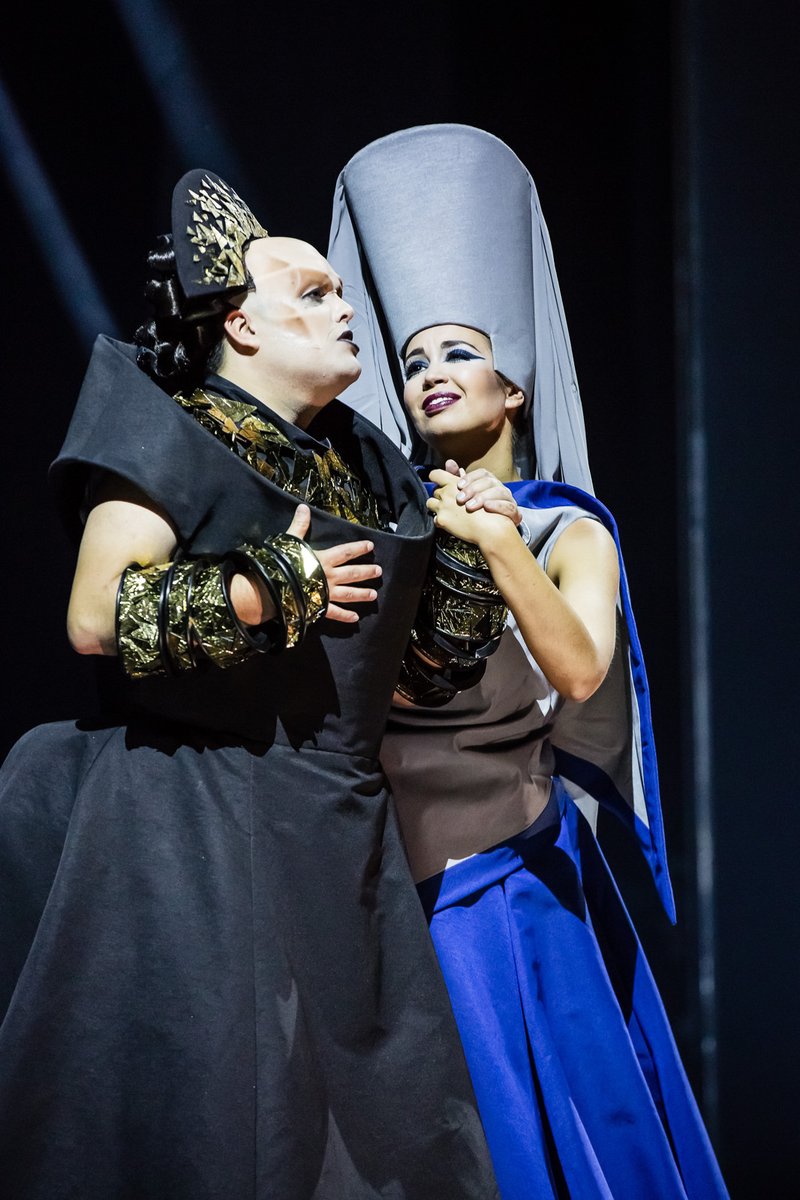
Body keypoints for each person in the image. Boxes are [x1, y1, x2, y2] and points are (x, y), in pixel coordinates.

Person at [0, 169, 501, 1199]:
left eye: (339, 291)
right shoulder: (169, 423)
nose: (342, 307)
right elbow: (96, 615)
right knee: (218, 1127)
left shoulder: (368, 461)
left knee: (380, 1139)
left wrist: (465, 561)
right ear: (239, 324)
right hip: (194, 825)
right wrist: (264, 586)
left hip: (337, 836)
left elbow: (410, 685)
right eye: (312, 293)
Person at [328, 124, 730, 1199]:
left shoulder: (567, 529)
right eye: (414, 360)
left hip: (508, 893)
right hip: (390, 897)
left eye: (458, 352)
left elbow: (582, 670)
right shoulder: (380, 532)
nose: (430, 375)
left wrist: (500, 543)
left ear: (513, 386)